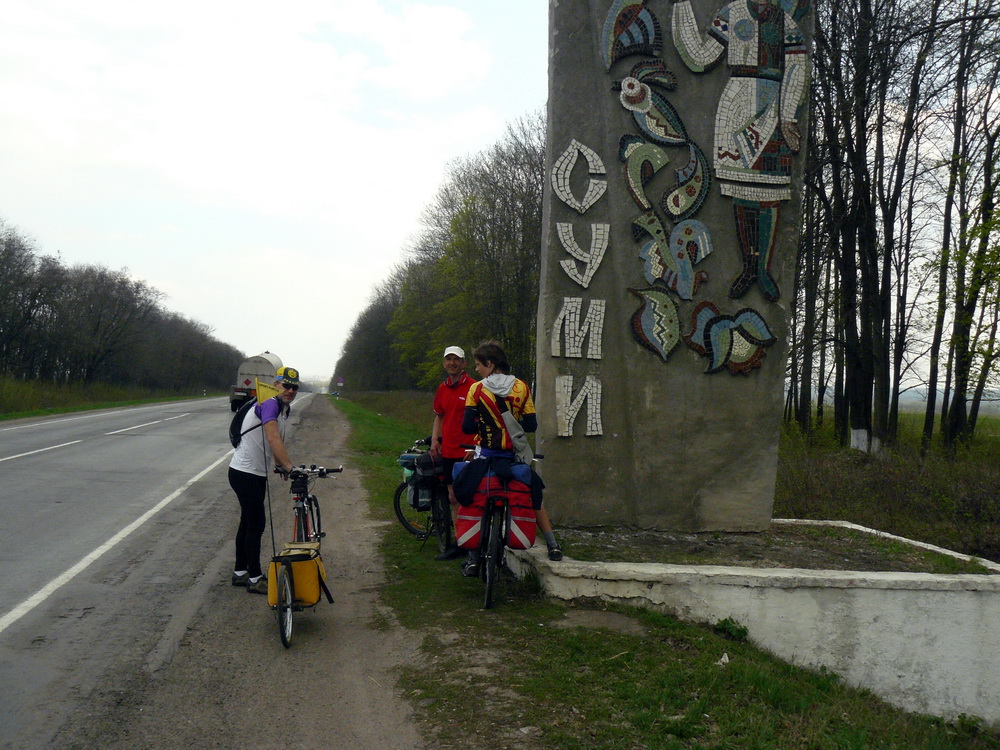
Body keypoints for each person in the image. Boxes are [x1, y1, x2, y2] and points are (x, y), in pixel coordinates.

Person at [460, 341, 562, 576]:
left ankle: (473, 557)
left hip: (486, 457)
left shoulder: (477, 389)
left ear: (489, 363)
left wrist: (486, 424)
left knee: (473, 496)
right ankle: (553, 544)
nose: (476, 369)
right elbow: (531, 425)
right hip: (514, 457)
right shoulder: (521, 387)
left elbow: (467, 427)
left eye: (478, 364)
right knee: (533, 494)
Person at [228, 366, 299, 594]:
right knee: (256, 524)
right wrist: (290, 467)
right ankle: (255, 577)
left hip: (252, 473)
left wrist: (280, 466)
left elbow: (272, 443)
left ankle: (240, 573)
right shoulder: (269, 403)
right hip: (245, 472)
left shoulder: (279, 407)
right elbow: (272, 436)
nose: (290, 391)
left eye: (294, 387)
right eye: (286, 385)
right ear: (276, 384)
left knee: (247, 522)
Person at [429, 345, 477, 561]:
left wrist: (477, 446)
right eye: (448, 359)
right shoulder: (443, 388)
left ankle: (475, 542)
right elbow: (439, 416)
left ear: (464, 363)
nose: (452, 363)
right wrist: (434, 441)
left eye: (456, 359)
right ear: (444, 363)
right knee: (453, 497)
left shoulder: (474, 387)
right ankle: (461, 543)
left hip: (468, 451)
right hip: (448, 450)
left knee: (470, 498)